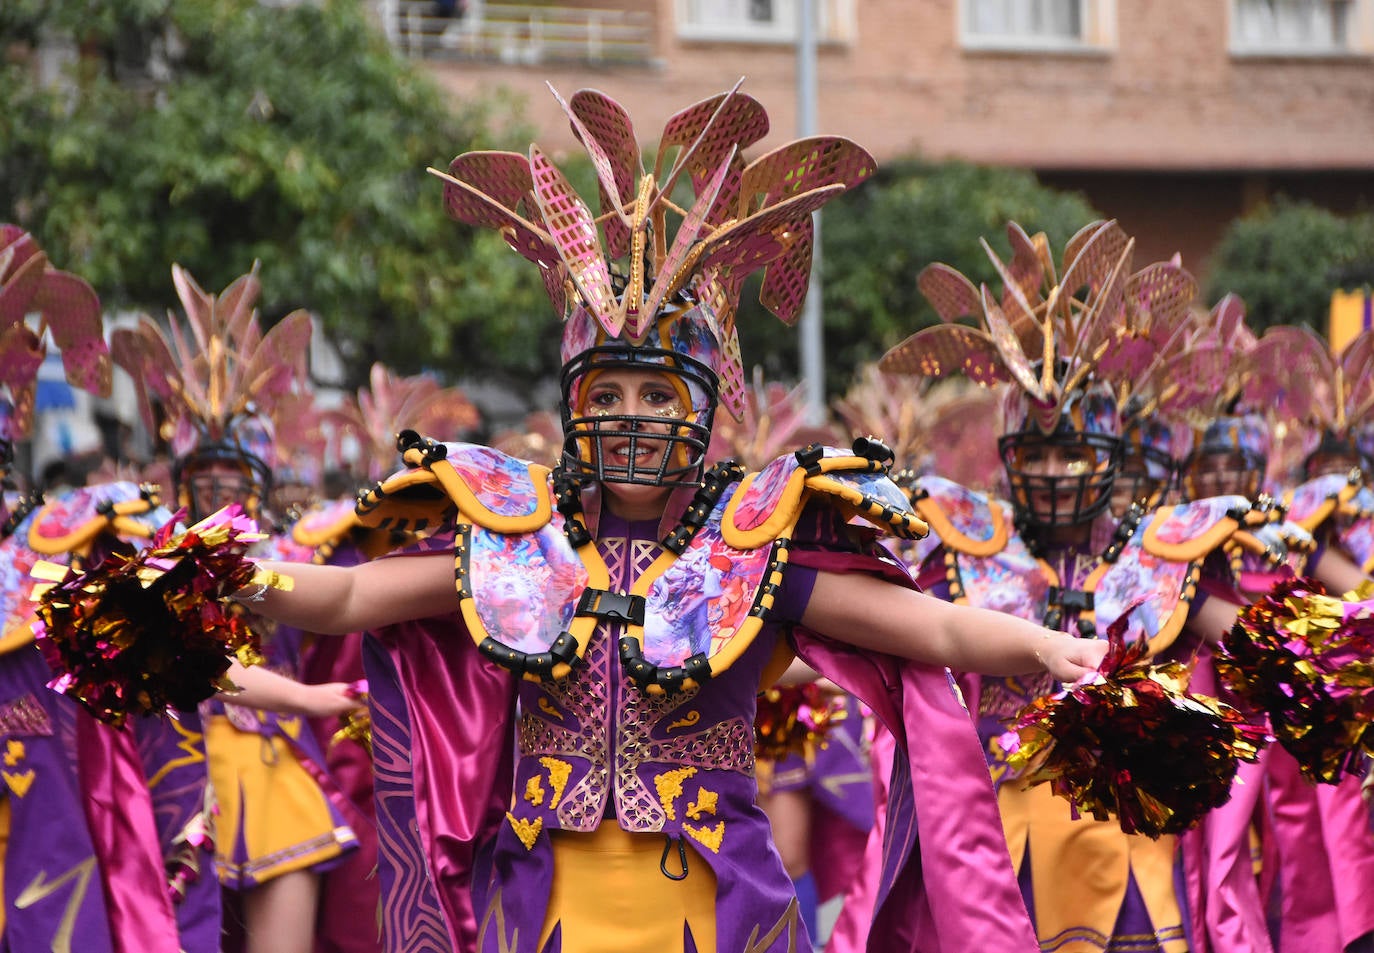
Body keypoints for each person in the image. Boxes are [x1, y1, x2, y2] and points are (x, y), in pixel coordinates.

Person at [223, 88, 1107, 953]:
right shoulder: (518, 539)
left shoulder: (749, 545)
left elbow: (933, 626)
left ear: (702, 407)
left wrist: (1040, 648)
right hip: (540, 912)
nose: (633, 415)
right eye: (608, 392)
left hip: (716, 913)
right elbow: (343, 599)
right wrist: (219, 571)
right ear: (575, 404)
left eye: (658, 392)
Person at [878, 222, 1267, 953]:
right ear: (1010, 456)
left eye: (1073, 454)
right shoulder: (965, 543)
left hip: (1131, 851)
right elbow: (884, 635)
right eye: (1039, 454)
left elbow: (1256, 644)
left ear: (1110, 454)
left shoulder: (1168, 552)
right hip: (998, 848)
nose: (1055, 473)